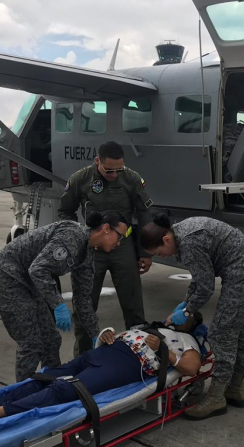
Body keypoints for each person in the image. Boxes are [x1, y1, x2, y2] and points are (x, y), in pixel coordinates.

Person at [0, 312, 204, 423]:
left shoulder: (185, 339)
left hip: (130, 364)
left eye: (186, 314)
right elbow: (115, 334)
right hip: (104, 352)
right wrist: (106, 335)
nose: (178, 314)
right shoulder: (149, 325)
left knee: (64, 390)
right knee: (45, 376)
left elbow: (192, 367)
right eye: (179, 310)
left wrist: (164, 350)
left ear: (189, 324)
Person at [140, 214, 244, 420]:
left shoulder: (189, 242)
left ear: (166, 239)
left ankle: (217, 397)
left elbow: (206, 286)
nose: (161, 257)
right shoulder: (181, 234)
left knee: (221, 332)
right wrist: (185, 303)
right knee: (240, 328)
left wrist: (188, 311)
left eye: (159, 253)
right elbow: (200, 278)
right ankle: (235, 388)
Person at [0, 212, 128, 382]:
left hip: (28, 284)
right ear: (105, 229)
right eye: (119, 236)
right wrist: (58, 305)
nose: (119, 243)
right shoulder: (72, 236)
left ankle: (51, 384)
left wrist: (94, 333)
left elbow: (82, 298)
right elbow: (38, 269)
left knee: (51, 340)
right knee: (31, 344)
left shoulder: (86, 255)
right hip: (5, 279)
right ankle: (21, 393)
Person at [58, 141, 154, 357]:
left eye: (118, 170)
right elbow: (65, 211)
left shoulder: (131, 178)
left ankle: (138, 357)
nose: (114, 175)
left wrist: (145, 252)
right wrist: (78, 239)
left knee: (133, 307)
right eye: (109, 170)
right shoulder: (80, 179)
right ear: (97, 161)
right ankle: (82, 358)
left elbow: (144, 215)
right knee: (84, 307)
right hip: (92, 252)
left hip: (124, 248)